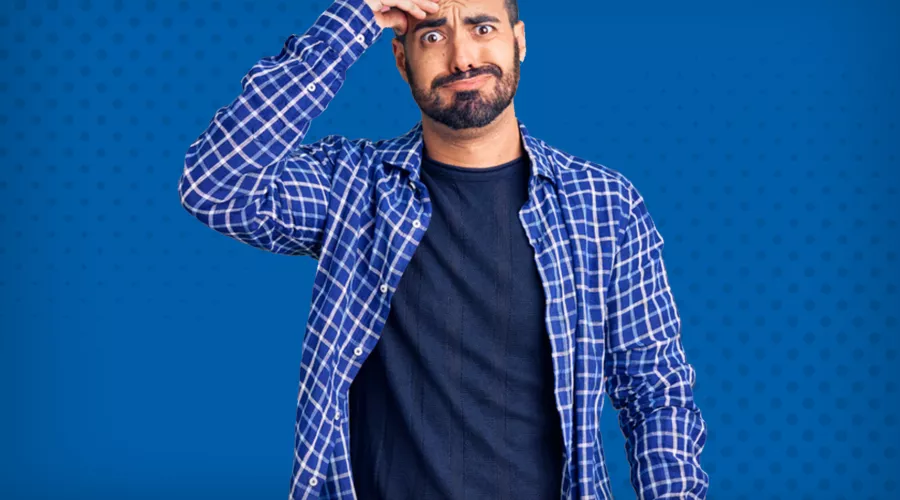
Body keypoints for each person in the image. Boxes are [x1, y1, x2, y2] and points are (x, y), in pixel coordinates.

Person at [177, 0, 710, 498]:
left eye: (483, 28)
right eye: (433, 36)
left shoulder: (602, 204)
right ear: (400, 59)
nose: (462, 58)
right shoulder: (352, 187)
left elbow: (655, 390)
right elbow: (215, 185)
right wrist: (353, 17)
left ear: (519, 41)